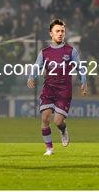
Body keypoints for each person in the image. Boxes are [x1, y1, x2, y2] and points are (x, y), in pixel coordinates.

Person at [27, 19, 87, 156]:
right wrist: (31, 77)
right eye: (57, 31)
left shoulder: (70, 51)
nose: (60, 34)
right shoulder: (44, 52)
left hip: (64, 91)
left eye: (62, 31)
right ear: (51, 33)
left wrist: (84, 81)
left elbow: (80, 67)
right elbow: (37, 66)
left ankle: (63, 130)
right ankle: (49, 149)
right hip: (49, 89)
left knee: (58, 121)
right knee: (45, 118)